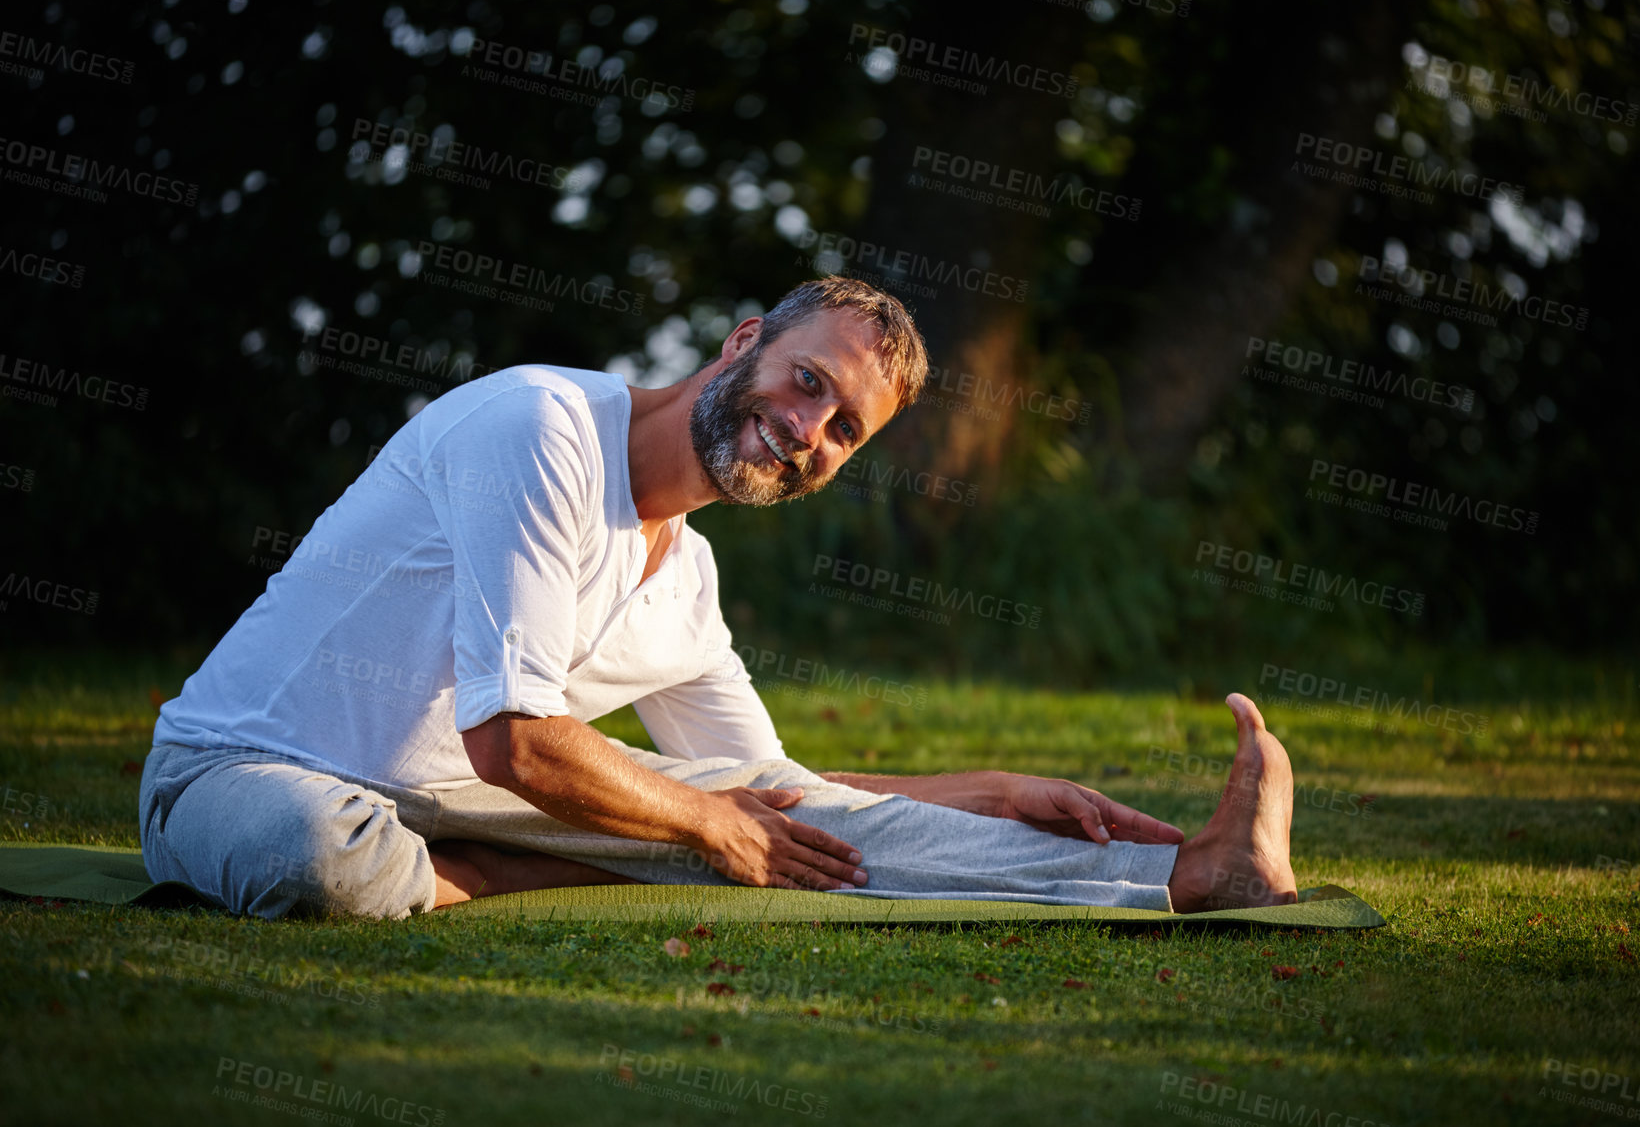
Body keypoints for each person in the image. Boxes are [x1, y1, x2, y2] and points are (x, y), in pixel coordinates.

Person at [139, 276, 1297, 919]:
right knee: (317, 859)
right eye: (806, 383)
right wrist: (697, 824)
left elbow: (778, 795)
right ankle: (500, 877)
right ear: (743, 344)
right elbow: (513, 747)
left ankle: (1189, 878)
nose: (805, 430)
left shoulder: (685, 579)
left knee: (772, 829)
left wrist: (994, 790)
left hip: (449, 806)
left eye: (843, 431)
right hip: (243, 774)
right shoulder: (540, 429)